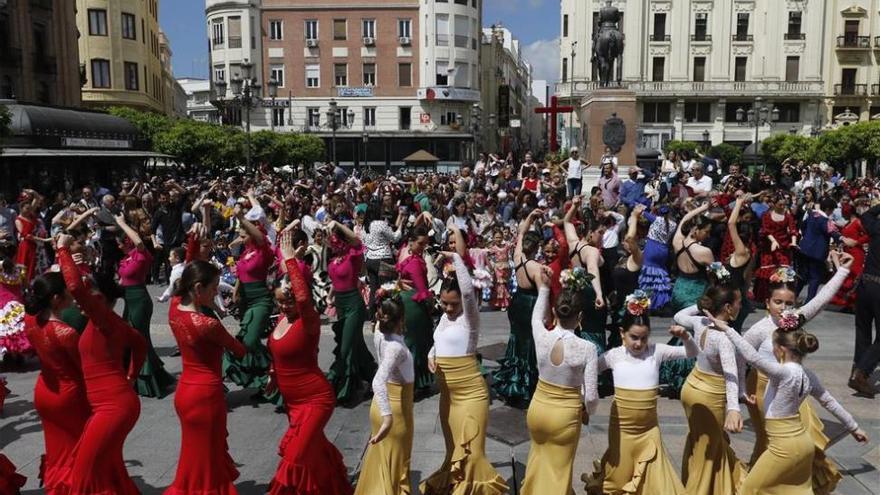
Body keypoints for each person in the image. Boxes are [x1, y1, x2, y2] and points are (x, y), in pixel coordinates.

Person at [706, 312, 868, 495]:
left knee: (749, 490)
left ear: (781, 349)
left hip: (783, 446)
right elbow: (830, 403)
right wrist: (854, 428)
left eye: (773, 346)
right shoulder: (808, 376)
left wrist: (727, 329)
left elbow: (752, 357)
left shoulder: (783, 372)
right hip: (804, 443)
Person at [742, 252, 852, 493]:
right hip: (762, 389)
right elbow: (740, 358)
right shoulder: (759, 330)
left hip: (794, 389)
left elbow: (821, 300)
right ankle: (762, 483)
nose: (783, 308)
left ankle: (796, 483)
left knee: (806, 439)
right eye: (778, 302)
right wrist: (739, 390)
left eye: (789, 303)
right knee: (769, 441)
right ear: (767, 302)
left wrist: (842, 271)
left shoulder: (796, 320)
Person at [56, 234, 146, 494]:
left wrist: (62, 248)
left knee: (83, 474)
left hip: (112, 408)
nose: (82, 298)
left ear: (102, 298)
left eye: (90, 291)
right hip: (117, 403)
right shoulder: (111, 321)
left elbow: (74, 287)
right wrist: (131, 376)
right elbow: (139, 344)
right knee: (106, 471)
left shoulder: (103, 319)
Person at [583, 295, 697, 495]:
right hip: (621, 430)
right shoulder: (614, 356)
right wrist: (583, 396)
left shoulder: (656, 352)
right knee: (618, 480)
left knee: (658, 483)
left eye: (644, 338)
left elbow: (691, 353)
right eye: (633, 337)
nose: (639, 343)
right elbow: (589, 371)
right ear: (622, 333)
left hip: (649, 431)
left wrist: (686, 337)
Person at [265, 232, 352, 494]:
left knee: (295, 457)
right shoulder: (281, 319)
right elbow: (278, 353)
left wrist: (291, 261)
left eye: (288, 301)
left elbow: (302, 299)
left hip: (315, 399)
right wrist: (272, 376)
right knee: (313, 453)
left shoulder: (309, 321)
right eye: (280, 300)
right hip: (293, 403)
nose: (285, 305)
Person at [421, 252, 508, 495]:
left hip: (471, 395)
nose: (448, 308)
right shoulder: (444, 319)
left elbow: (468, 292)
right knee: (454, 452)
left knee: (473, 453)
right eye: (444, 303)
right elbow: (438, 341)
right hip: (448, 397)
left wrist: (457, 259)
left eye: (453, 304)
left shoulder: (470, 319)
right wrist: (431, 355)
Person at [165, 261, 246, 495]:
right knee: (207, 455)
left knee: (193, 453)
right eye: (213, 289)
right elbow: (238, 350)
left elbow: (188, 275)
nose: (216, 294)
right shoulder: (208, 324)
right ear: (198, 289)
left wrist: (193, 247)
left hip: (185, 394)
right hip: (206, 395)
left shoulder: (174, 310)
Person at [521, 268, 598, 494]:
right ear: (580, 317)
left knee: (537, 463)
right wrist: (588, 411)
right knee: (559, 473)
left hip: (537, 410)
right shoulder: (587, 348)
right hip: (565, 416)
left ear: (555, 311)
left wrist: (544, 288)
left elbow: (536, 316)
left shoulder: (541, 334)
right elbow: (591, 396)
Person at [674, 284, 747, 495]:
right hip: (709, 395)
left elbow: (679, 315)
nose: (741, 306)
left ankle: (709, 485)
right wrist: (734, 408)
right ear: (727, 307)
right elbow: (730, 375)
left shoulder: (700, 321)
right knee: (710, 450)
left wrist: (702, 307)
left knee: (699, 442)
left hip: (690, 388)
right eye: (738, 302)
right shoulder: (724, 338)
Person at [23, 272, 90, 493]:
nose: (71, 295)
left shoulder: (31, 320)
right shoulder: (66, 332)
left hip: (44, 391)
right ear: (55, 298)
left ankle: (57, 485)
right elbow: (82, 368)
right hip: (68, 395)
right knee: (75, 447)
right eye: (66, 292)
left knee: (56, 449)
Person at [355, 287, 414, 495]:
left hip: (381, 406)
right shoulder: (395, 348)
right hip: (394, 409)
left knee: (382, 464)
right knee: (394, 466)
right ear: (401, 319)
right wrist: (388, 419)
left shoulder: (380, 335)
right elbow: (378, 381)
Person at [116, 213, 175, 398]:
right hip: (128, 301)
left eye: (120, 242)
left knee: (139, 339)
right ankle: (140, 376)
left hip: (140, 300)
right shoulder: (125, 258)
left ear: (127, 241)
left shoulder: (141, 254)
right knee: (131, 339)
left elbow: (139, 242)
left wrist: (121, 222)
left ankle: (149, 382)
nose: (118, 246)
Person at [493, 209, 546, 407]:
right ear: (537, 248)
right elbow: (543, 294)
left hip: (517, 302)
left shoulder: (517, 257)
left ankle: (513, 382)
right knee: (530, 342)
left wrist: (530, 218)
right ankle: (526, 385)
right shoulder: (536, 267)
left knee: (516, 339)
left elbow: (521, 234)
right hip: (531, 303)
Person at [223, 205, 275, 400]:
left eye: (244, 235)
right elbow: (241, 274)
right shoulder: (246, 253)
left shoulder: (263, 250)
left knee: (250, 340)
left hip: (261, 300)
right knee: (247, 342)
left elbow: (261, 237)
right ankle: (266, 375)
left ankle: (273, 367)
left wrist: (240, 217)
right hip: (246, 301)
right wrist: (236, 291)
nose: (241, 238)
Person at [661, 201, 713, 398]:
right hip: (696, 291)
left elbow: (683, 221)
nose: (707, 235)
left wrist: (699, 209)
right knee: (692, 334)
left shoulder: (678, 242)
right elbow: (717, 275)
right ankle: (686, 374)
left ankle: (673, 372)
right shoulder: (704, 252)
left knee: (680, 332)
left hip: (679, 288)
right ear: (697, 230)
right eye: (705, 231)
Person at [325, 219, 377, 404]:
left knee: (345, 346)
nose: (332, 244)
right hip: (340, 303)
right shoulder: (333, 260)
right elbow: (335, 281)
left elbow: (356, 240)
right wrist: (330, 296)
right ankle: (374, 379)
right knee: (357, 346)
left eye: (335, 240)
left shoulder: (353, 256)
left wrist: (337, 224)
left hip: (354, 304)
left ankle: (333, 384)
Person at [396, 220, 435, 394]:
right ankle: (413, 382)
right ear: (411, 242)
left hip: (407, 302)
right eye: (420, 243)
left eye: (425, 244)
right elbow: (422, 290)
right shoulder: (415, 262)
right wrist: (431, 304)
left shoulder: (409, 258)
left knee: (414, 344)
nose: (423, 247)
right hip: (414, 305)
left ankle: (415, 382)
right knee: (417, 344)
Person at [851, 201, 880, 397]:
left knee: (863, 331)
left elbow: (866, 215)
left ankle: (857, 372)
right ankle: (862, 372)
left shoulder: (877, 227)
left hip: (864, 285)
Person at [754, 194, 798, 302]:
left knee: (784, 272)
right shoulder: (767, 215)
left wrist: (793, 242)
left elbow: (793, 230)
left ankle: (782, 297)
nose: (782, 207)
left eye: (784, 205)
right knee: (767, 273)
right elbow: (766, 230)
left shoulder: (788, 216)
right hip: (769, 247)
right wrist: (773, 241)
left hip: (783, 247)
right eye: (780, 205)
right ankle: (765, 297)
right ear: (774, 204)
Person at [638, 204, 677, 310]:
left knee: (648, 275)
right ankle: (661, 301)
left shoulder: (656, 219)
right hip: (663, 250)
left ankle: (646, 301)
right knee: (660, 276)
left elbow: (642, 212)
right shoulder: (673, 224)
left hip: (652, 247)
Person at [726, 194, 754, 332]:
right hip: (739, 297)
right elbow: (748, 279)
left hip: (735, 300)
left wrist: (738, 203)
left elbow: (731, 224)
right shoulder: (745, 253)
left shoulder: (741, 251)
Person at [0, 243, 30, 362]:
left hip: (2, 306)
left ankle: (9, 353)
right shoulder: (20, 269)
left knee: (6, 331)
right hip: (17, 304)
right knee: (18, 330)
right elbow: (26, 286)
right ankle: (18, 353)